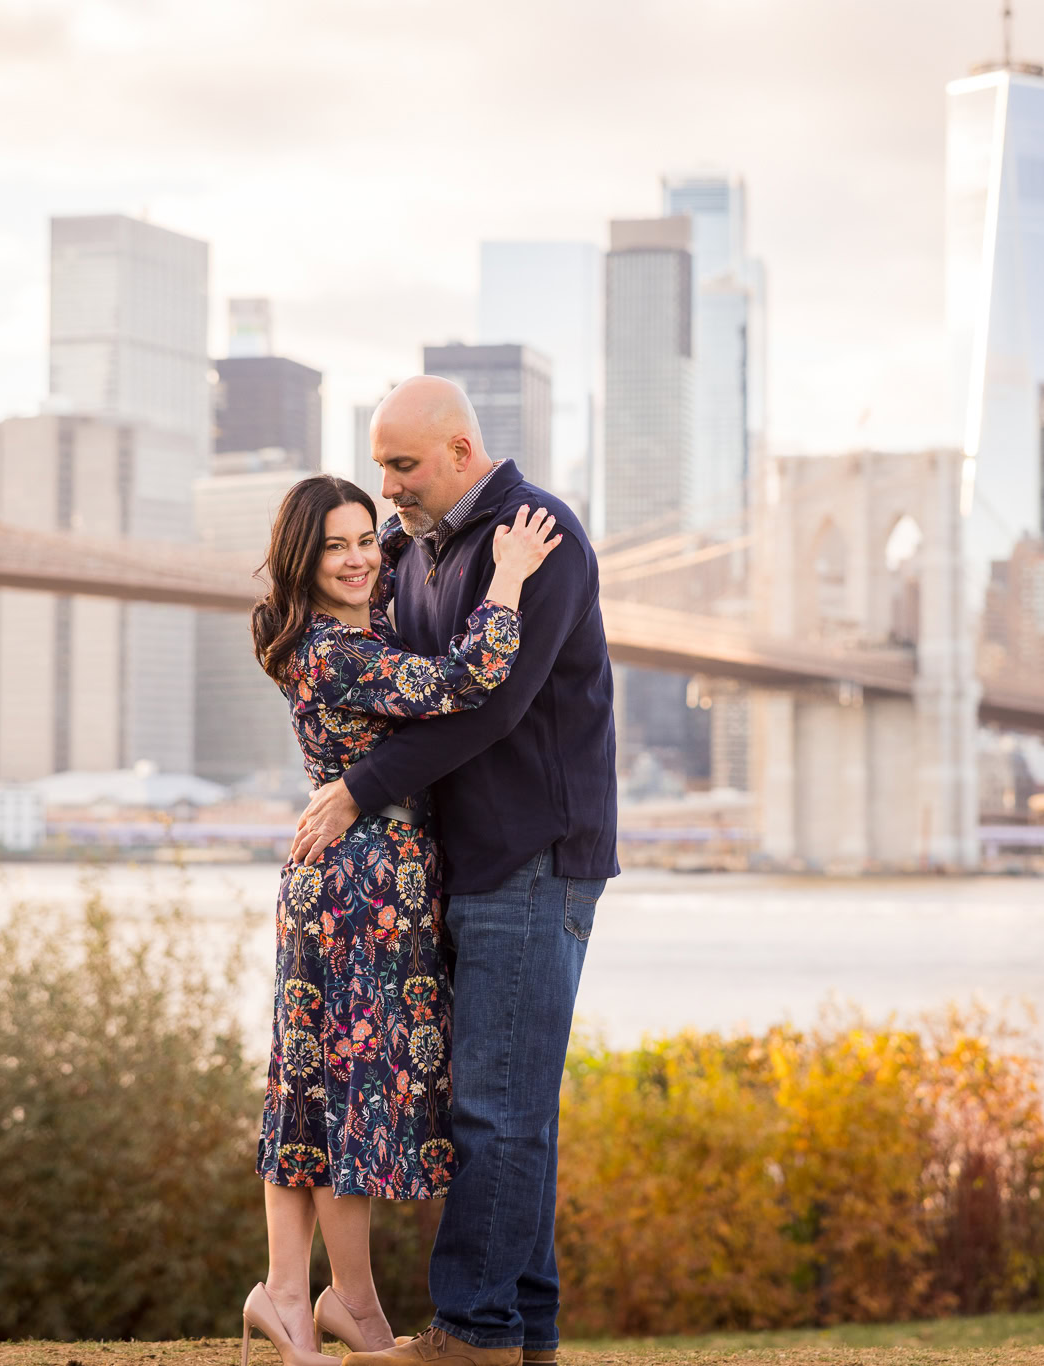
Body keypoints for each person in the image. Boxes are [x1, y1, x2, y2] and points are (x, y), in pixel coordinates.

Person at [290, 378, 619, 1366]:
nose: (386, 487)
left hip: (532, 857)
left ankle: (471, 1336)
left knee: (496, 1108)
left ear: (463, 451)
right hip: (466, 867)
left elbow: (488, 708)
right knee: (515, 1110)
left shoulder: (536, 535)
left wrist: (355, 790)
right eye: (380, 465)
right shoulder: (418, 550)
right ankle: (526, 1335)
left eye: (403, 465)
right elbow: (339, 607)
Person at [245, 472, 562, 1366]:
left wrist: (404, 522)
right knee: (346, 1095)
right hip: (359, 893)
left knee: (314, 1087)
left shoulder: (348, 623)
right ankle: (346, 1306)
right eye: (332, 546)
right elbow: (466, 680)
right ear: (299, 562)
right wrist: (507, 576)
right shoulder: (341, 653)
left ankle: (296, 1293)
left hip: (357, 884)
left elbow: (393, 545)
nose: (356, 559)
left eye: (363, 541)